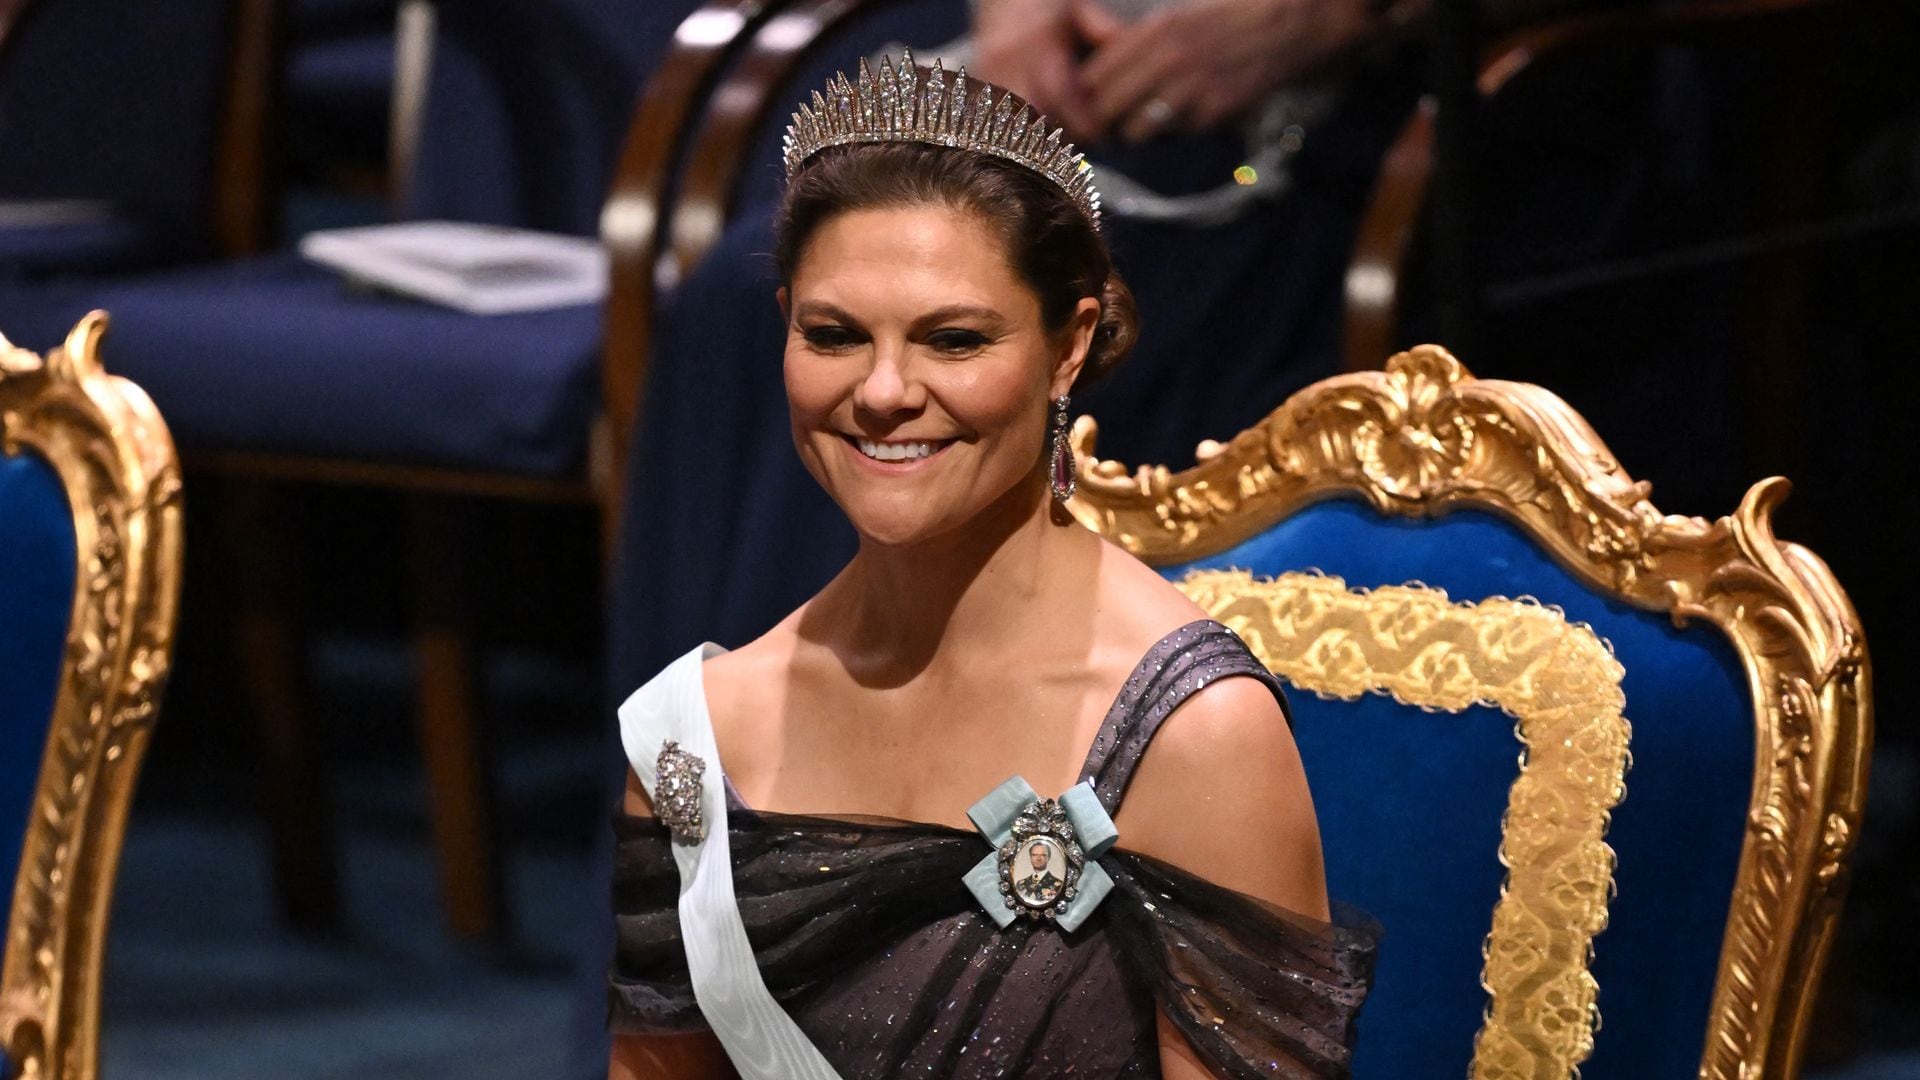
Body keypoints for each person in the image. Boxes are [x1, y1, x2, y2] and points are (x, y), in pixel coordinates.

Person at [605, 57, 1375, 1080]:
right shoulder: (697, 739)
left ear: (1070, 345)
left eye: (954, 340)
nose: (883, 392)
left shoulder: (1193, 737)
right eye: (833, 335)